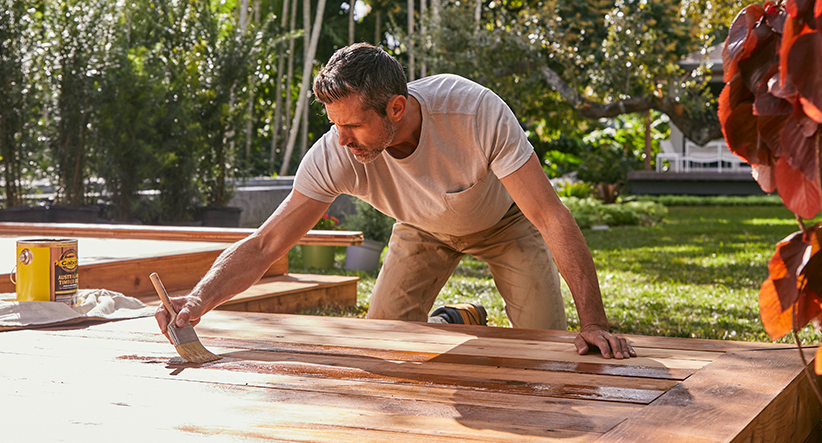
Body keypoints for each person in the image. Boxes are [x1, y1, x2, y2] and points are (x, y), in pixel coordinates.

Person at [157, 43, 635, 359]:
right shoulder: (335, 152)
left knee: (543, 349)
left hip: (504, 227)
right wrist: (197, 301)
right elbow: (266, 246)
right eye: (334, 125)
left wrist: (594, 321)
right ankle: (454, 320)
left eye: (353, 126)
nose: (341, 139)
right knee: (384, 342)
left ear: (397, 108)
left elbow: (550, 216)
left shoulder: (474, 112)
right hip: (421, 230)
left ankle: (470, 320)